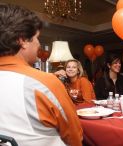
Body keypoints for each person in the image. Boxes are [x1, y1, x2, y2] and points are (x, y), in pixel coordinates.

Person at [0, 4, 82, 146]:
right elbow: (75, 138)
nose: (39, 44)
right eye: (37, 37)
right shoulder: (45, 83)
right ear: (22, 40)